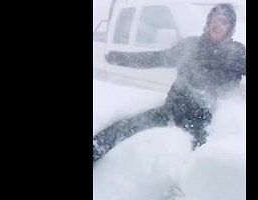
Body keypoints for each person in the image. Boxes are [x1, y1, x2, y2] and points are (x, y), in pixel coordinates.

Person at [93, 3, 246, 162]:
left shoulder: (237, 53)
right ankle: (95, 148)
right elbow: (156, 58)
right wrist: (118, 58)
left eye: (224, 21)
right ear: (208, 23)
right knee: (126, 126)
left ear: (231, 28)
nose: (217, 25)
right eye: (214, 20)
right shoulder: (191, 45)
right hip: (173, 109)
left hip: (204, 120)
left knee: (199, 158)